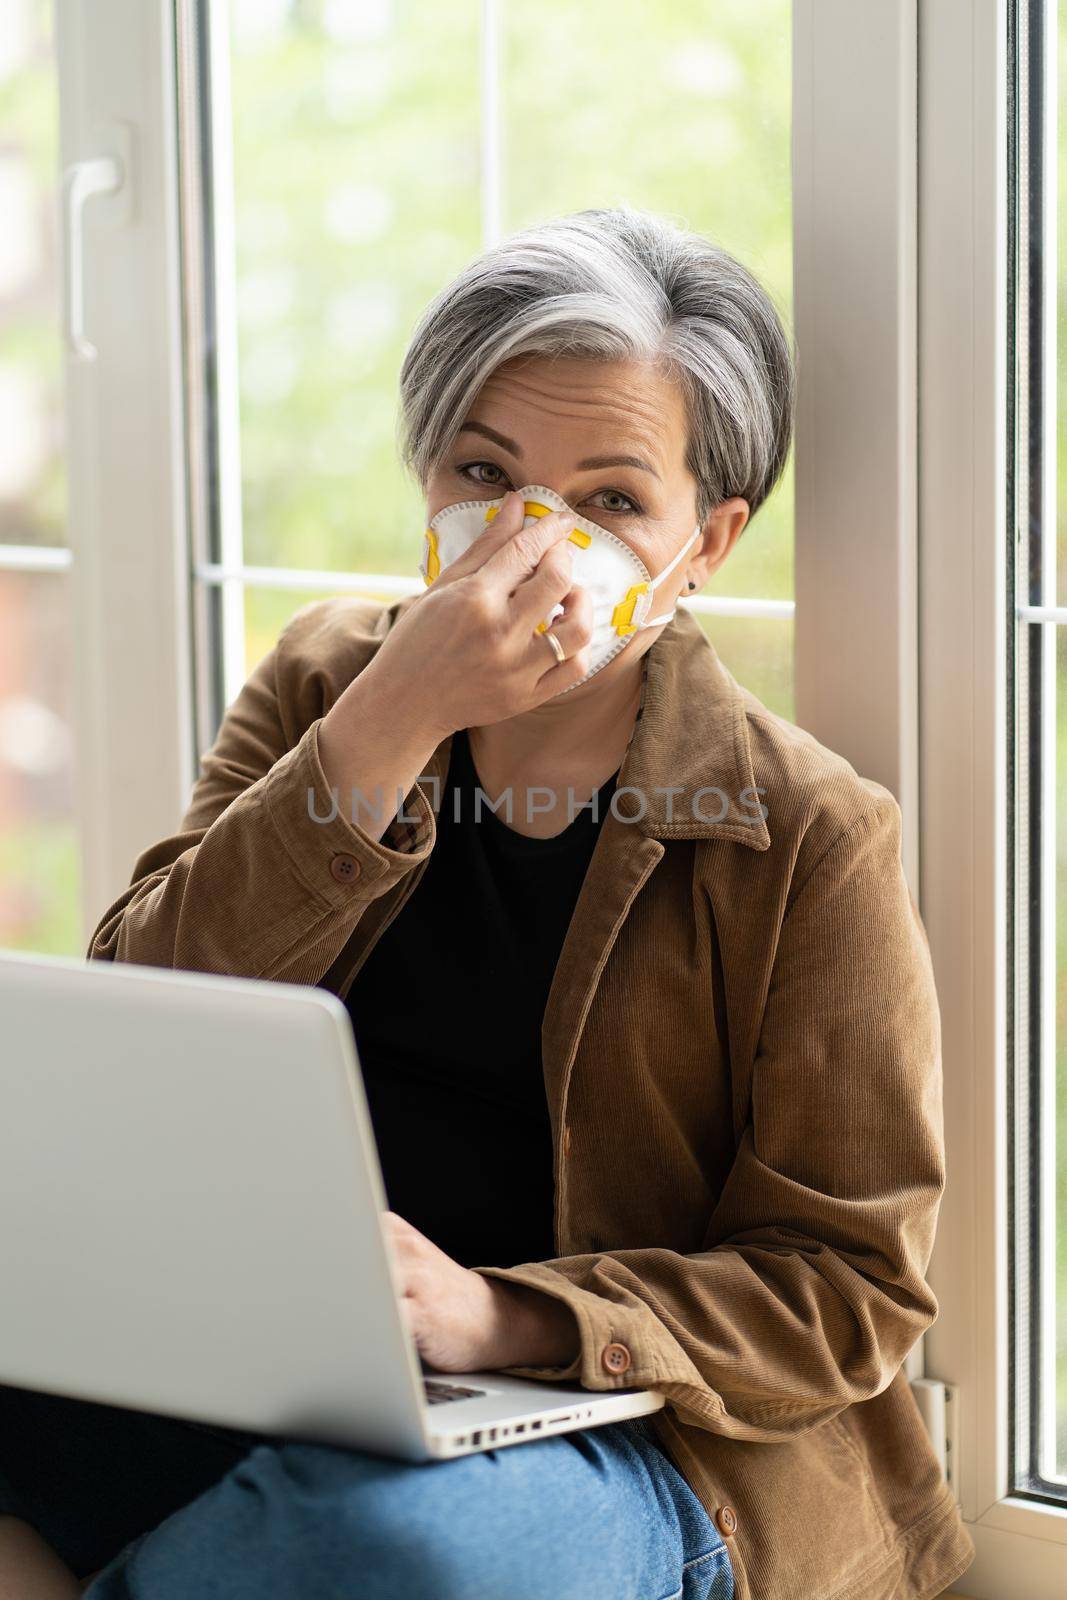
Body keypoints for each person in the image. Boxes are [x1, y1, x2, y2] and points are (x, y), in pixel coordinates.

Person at [0, 205, 975, 1600]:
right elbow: (145, 997)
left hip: (628, 1431)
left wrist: (503, 1317)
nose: (534, 537)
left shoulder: (811, 836)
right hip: (268, 1348)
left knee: (377, 1542)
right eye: (486, 470)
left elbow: (848, 1289)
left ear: (705, 545)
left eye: (612, 501)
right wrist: (381, 728)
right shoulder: (327, 683)